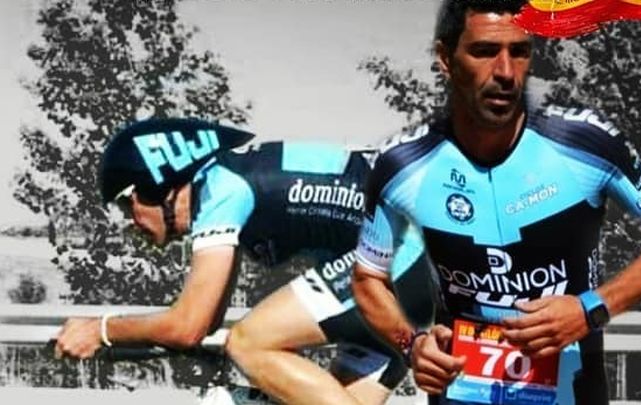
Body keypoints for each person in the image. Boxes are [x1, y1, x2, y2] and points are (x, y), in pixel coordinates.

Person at [351, 1, 641, 405]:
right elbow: (367, 278)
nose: (505, 72)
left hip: (572, 391)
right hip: (461, 392)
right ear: (446, 59)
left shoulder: (584, 144)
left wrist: (589, 309)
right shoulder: (402, 165)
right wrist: (412, 344)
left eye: (519, 51)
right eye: (483, 51)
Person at [54, 118, 434, 405]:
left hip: (400, 257)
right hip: (409, 272)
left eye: (127, 205)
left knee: (248, 343)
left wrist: (101, 330)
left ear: (155, 185)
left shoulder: (221, 190)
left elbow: (187, 326)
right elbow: (205, 321)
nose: (130, 221)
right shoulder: (231, 184)